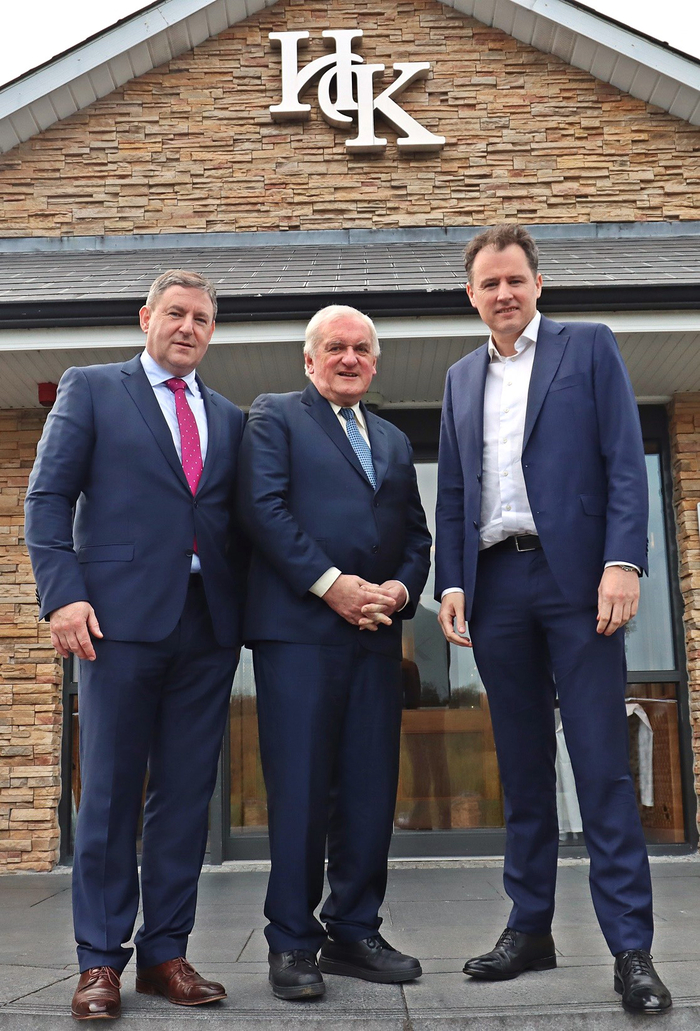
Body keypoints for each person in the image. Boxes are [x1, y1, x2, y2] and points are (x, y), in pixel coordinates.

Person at [434, 225, 672, 1014]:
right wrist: (453, 583)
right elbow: (457, 494)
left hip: (576, 579)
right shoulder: (460, 378)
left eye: (515, 280)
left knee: (601, 763)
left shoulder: (588, 348)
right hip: (496, 583)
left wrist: (624, 560)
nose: (503, 293)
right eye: (488, 284)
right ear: (471, 296)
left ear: (539, 283)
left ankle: (630, 948)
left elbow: (622, 459)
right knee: (523, 765)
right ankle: (529, 926)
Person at [25, 270, 247, 1021]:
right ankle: (98, 962)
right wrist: (62, 593)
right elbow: (48, 497)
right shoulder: (93, 388)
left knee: (184, 797)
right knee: (112, 796)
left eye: (204, 319)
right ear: (147, 316)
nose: (189, 327)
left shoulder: (227, 414)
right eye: (177, 313)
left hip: (207, 626)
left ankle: (165, 953)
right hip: (113, 624)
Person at [237, 305, 431, 1000]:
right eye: (335, 348)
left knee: (370, 791)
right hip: (299, 635)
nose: (349, 358)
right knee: (301, 791)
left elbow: (416, 534)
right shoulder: (275, 415)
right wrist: (333, 585)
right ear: (309, 359)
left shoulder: (394, 440)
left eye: (361, 349)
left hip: (376, 638)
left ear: (374, 362)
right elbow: (263, 508)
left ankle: (353, 929)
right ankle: (292, 941)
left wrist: (402, 589)